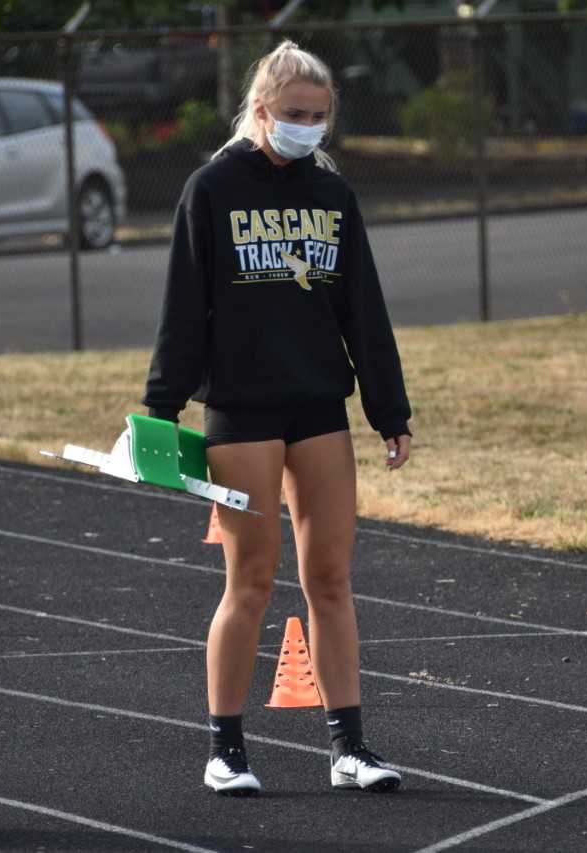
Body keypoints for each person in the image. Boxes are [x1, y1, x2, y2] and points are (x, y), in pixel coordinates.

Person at [143, 40, 412, 797]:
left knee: (330, 577)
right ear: (260, 110)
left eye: (319, 117)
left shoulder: (334, 195)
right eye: (295, 114)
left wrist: (389, 409)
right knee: (250, 580)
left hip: (319, 408)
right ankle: (226, 748)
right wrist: (160, 410)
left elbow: (362, 307)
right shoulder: (210, 188)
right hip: (242, 410)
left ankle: (349, 748)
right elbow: (182, 310)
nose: (308, 127)